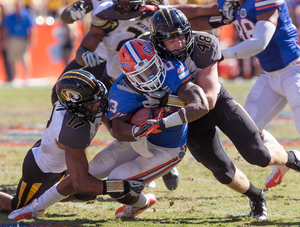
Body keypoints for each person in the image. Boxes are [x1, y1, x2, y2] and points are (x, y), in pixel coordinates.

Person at [9, 38, 209, 219]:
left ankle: (139, 204)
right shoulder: (119, 91)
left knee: (116, 180)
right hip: (137, 140)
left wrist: (166, 115)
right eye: (141, 73)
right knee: (96, 176)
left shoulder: (173, 69)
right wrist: (137, 131)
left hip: (168, 148)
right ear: (128, 75)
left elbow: (201, 104)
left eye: (151, 68)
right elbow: (118, 131)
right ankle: (36, 207)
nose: (150, 76)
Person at [146, 7, 300, 219]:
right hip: (188, 118)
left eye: (182, 36)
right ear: (157, 41)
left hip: (216, 104)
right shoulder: (146, 51)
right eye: (171, 40)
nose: (179, 43)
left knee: (259, 156)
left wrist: (166, 103)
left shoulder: (203, 45)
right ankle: (256, 196)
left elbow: (207, 100)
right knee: (222, 171)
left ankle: (292, 159)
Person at [51, 0, 182, 191]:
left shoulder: (156, 6)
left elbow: (180, 17)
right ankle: (66, 166)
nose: (127, 5)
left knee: (146, 118)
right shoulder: (105, 9)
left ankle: (157, 160)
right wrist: (74, 13)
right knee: (64, 96)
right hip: (108, 66)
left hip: (146, 71)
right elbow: (73, 28)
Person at [180, 0, 300, 189]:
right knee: (248, 130)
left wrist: (218, 53)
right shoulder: (233, 3)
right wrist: (160, 12)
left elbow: (259, 43)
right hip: (270, 76)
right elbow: (196, 13)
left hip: (294, 71)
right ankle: (287, 160)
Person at [1, 69, 144, 217]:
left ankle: (40, 196)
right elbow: (81, 183)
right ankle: (37, 197)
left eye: (99, 95)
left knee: (87, 193)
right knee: (16, 207)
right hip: (43, 171)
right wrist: (120, 186)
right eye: (93, 101)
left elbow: (115, 129)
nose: (100, 103)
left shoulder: (83, 106)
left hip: (62, 159)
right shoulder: (73, 129)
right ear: (77, 107)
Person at [1, 1, 34, 83]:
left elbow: (32, 28)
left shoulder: (27, 15)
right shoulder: (10, 16)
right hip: (12, 39)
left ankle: (27, 77)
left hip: (23, 39)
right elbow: (5, 29)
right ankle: (15, 77)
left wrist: (32, 39)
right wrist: (4, 40)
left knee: (25, 58)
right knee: (12, 59)